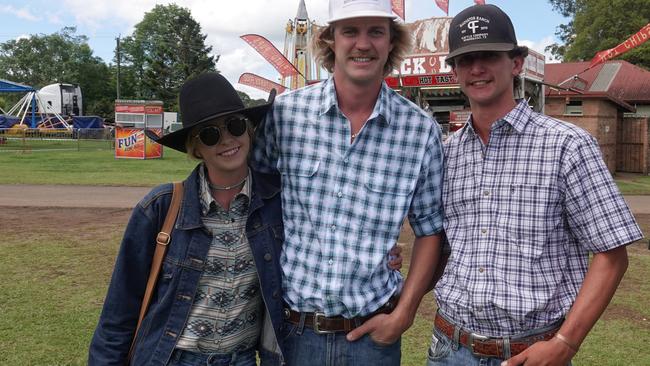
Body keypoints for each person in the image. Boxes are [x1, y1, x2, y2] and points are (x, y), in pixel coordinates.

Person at [428, 4, 643, 366]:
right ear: (454, 70)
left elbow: (611, 254)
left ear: (516, 62)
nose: (477, 68)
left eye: (489, 56)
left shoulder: (567, 145)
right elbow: (446, 248)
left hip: (532, 351)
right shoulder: (447, 154)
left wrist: (565, 343)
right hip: (450, 346)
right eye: (465, 59)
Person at [251, 0, 445, 364]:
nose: (363, 43)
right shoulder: (285, 116)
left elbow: (431, 230)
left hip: (373, 338)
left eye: (376, 32)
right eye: (350, 31)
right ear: (329, 40)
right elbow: (254, 201)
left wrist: (404, 314)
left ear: (391, 42)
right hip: (294, 333)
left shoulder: (420, 131)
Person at [88, 73, 284, 366]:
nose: (227, 139)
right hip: (171, 358)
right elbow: (120, 310)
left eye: (234, 125)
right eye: (210, 134)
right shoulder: (161, 207)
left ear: (249, 129)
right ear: (196, 147)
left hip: (240, 359)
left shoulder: (276, 204)